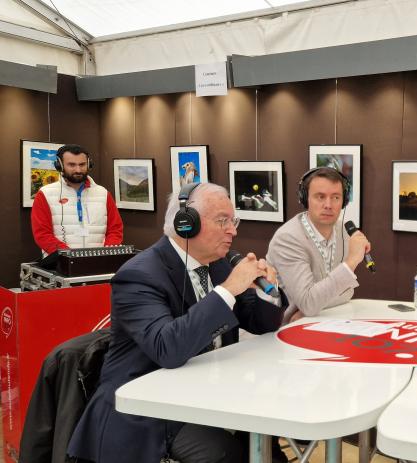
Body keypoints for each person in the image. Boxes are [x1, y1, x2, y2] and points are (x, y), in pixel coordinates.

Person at [67, 183, 285, 463]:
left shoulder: (217, 264)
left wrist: (270, 292)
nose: (233, 230)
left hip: (205, 392)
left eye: (233, 220)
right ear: (186, 223)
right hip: (148, 408)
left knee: (267, 439)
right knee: (226, 454)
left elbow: (261, 323)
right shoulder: (138, 275)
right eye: (223, 221)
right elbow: (167, 347)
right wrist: (228, 290)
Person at [267, 167, 371, 323]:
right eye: (320, 197)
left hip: (325, 321)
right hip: (285, 333)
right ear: (304, 199)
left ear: (344, 201)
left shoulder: (344, 231)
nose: (328, 205)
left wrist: (313, 306)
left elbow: (347, 294)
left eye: (336, 197)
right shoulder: (288, 239)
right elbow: (309, 303)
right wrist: (351, 263)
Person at [31, 144, 123, 254]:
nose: (78, 170)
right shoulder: (45, 194)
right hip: (60, 263)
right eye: (72, 165)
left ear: (89, 164)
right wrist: (69, 256)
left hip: (98, 260)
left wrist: (106, 253)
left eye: (82, 164)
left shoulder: (103, 193)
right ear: (59, 165)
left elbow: (115, 229)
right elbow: (42, 234)